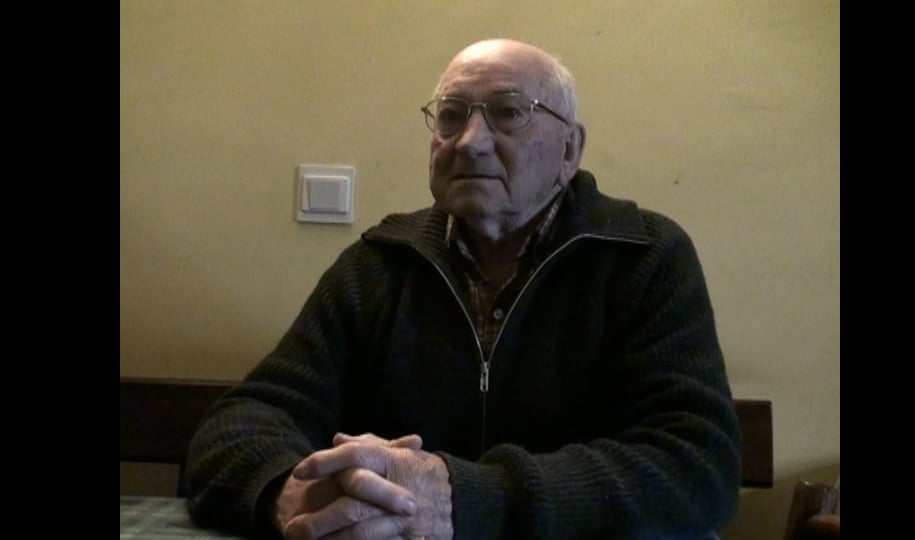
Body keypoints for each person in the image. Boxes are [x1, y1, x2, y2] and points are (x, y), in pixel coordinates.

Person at [184, 38, 742, 540]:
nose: (470, 141)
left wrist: (466, 498)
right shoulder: (378, 266)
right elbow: (241, 424)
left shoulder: (644, 257)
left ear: (570, 150)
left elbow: (696, 467)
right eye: (451, 116)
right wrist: (288, 491)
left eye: (509, 113)